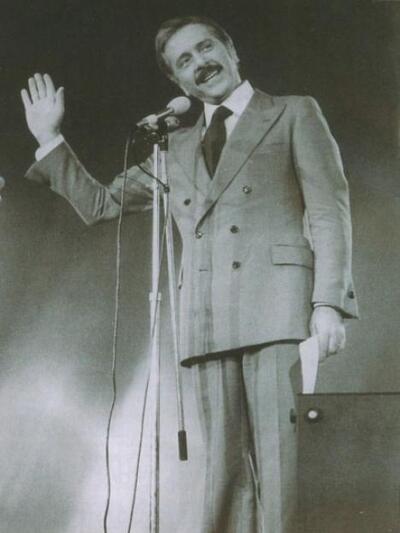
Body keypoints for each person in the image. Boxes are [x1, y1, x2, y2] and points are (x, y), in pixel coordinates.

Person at [21, 16, 358, 533]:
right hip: (206, 322)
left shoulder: (292, 112)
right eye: (184, 61)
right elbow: (101, 204)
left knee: (282, 469)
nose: (200, 63)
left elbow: (330, 211)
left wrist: (328, 303)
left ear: (231, 50)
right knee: (224, 476)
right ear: (178, 83)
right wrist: (49, 138)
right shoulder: (172, 147)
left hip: (279, 314)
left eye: (206, 48)